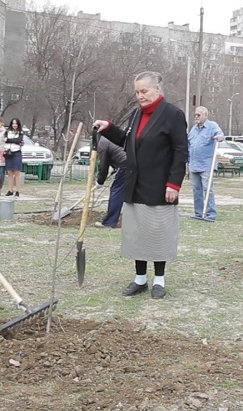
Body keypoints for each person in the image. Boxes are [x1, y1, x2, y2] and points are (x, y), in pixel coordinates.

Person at [92, 71, 188, 299]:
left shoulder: (173, 115)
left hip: (160, 185)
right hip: (135, 183)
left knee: (158, 233)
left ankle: (160, 281)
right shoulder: (137, 114)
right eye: (137, 92)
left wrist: (174, 184)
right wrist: (108, 127)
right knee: (137, 234)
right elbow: (128, 142)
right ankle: (140, 279)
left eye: (144, 91)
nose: (140, 96)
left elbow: (180, 151)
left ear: (157, 89)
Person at [187, 106, 224, 221]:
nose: (196, 117)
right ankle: (198, 213)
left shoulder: (212, 126)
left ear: (205, 115)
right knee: (196, 189)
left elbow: (220, 135)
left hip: (206, 164)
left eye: (199, 115)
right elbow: (189, 143)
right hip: (194, 164)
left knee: (208, 189)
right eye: (195, 115)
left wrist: (219, 137)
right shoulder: (194, 129)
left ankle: (210, 214)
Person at [94, 135, 127, 229]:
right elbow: (117, 153)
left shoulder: (102, 143)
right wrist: (114, 167)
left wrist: (100, 181)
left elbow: (103, 166)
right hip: (135, 162)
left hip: (126, 164)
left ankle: (110, 222)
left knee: (117, 191)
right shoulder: (111, 138)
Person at [4, 118, 24, 197]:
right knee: (9, 172)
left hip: (16, 153)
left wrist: (9, 140)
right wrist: (12, 140)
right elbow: (5, 140)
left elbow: (19, 140)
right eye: (13, 123)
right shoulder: (7, 131)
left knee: (17, 172)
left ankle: (17, 190)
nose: (14, 125)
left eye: (16, 123)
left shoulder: (20, 132)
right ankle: (10, 190)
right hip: (8, 153)